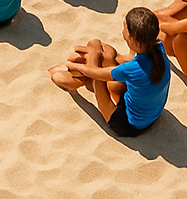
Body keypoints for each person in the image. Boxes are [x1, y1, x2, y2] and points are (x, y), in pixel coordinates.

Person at [48, 7, 171, 137]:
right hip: (152, 116)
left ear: (131, 37)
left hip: (127, 124)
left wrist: (71, 64)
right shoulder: (159, 49)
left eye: (125, 27)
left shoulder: (132, 69)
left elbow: (95, 72)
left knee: (94, 52)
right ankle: (80, 76)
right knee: (104, 52)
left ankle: (77, 78)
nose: (123, 30)